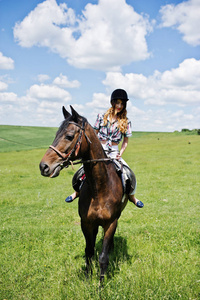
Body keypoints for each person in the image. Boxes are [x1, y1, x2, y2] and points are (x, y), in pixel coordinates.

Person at [65, 88, 144, 208]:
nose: (119, 106)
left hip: (114, 152)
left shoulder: (126, 122)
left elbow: (125, 141)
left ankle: (132, 197)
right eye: (117, 102)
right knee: (81, 172)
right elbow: (93, 134)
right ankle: (77, 192)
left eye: (122, 103)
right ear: (112, 103)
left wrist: (120, 153)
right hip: (99, 149)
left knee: (129, 174)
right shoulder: (101, 117)